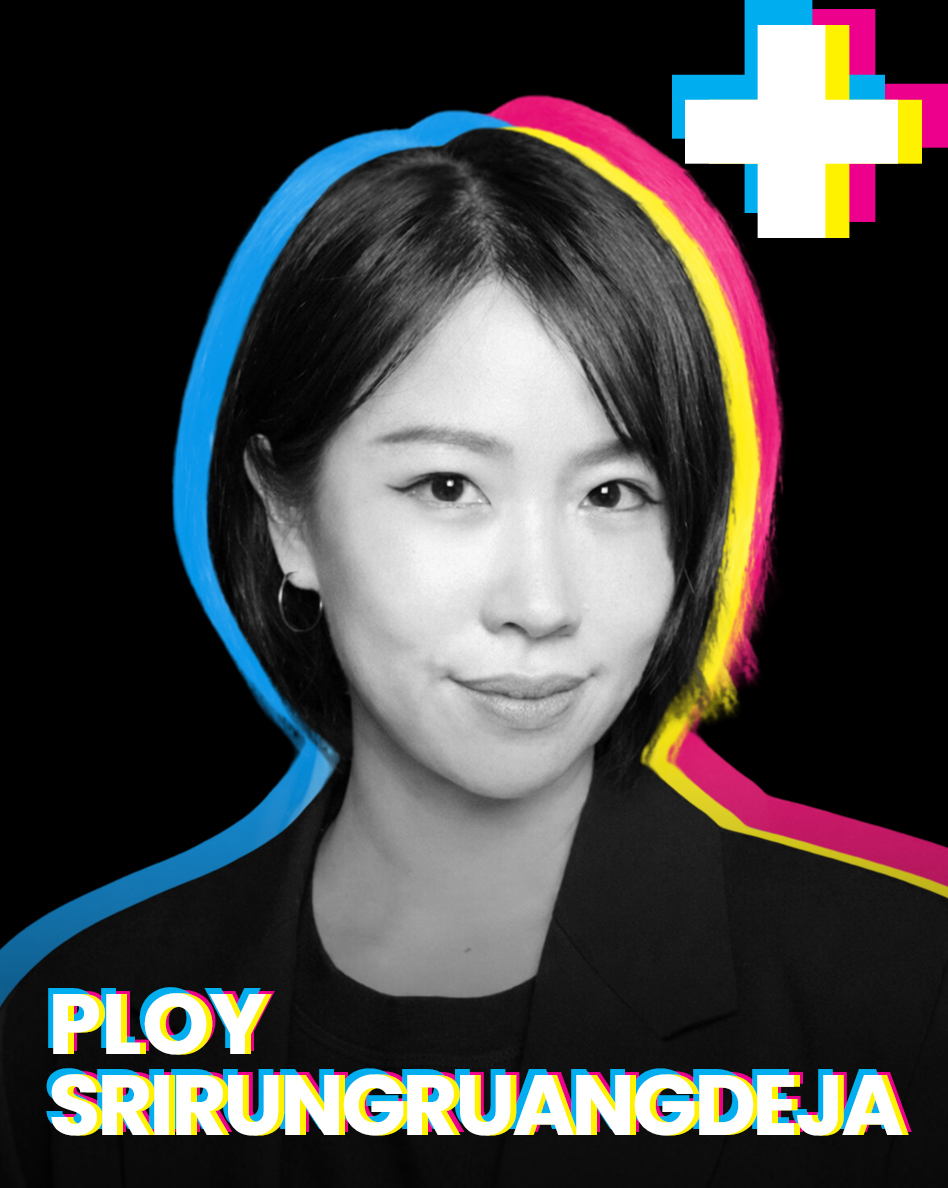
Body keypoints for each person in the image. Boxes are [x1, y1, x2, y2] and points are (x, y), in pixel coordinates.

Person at [1, 99, 944, 1186]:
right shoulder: (79, 1034)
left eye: (612, 493)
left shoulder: (901, 1002)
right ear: (288, 518)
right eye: (448, 486)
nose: (540, 603)